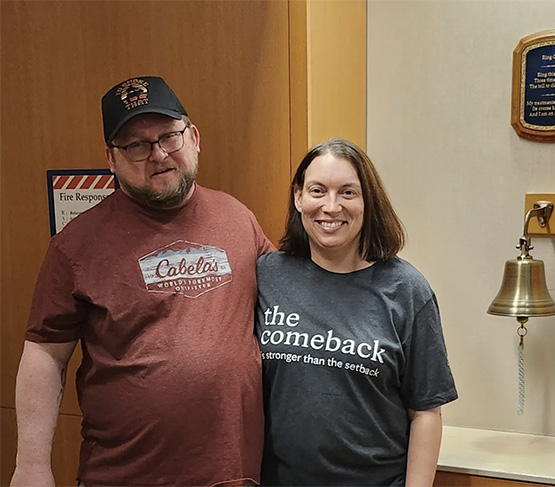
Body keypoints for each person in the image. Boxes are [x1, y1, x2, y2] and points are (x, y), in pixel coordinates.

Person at [11, 76, 273, 487]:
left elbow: (292, 302)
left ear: (194, 137)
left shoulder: (238, 218)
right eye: (136, 145)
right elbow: (45, 355)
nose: (158, 155)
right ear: (111, 159)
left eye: (169, 136)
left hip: (233, 476)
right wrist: (31, 466)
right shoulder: (75, 245)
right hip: (124, 476)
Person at [255, 138, 458, 486]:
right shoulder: (268, 275)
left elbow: (425, 411)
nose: (331, 207)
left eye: (347, 193)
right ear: (298, 196)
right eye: (318, 190)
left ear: (367, 202)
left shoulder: (407, 290)